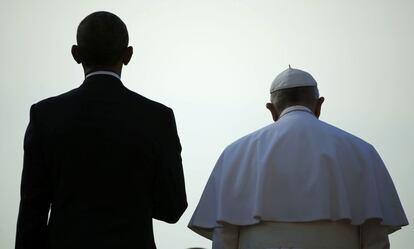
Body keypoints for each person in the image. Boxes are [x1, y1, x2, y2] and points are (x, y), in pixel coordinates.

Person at [15, 11, 187, 249]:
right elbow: (173, 208)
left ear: (76, 54)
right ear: (128, 55)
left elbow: (32, 213)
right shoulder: (157, 118)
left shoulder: (45, 115)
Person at [188, 66, 408, 249]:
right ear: (319, 105)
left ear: (271, 109)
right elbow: (375, 236)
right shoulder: (360, 150)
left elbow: (224, 234)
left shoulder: (236, 153)